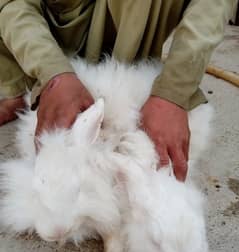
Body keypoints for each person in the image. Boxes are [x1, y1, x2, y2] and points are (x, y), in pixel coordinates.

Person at [0, 0, 235, 181]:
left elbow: (212, 6)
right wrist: (53, 72)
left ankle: (121, 86)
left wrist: (172, 93)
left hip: (125, 28)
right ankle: (18, 88)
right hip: (61, 23)